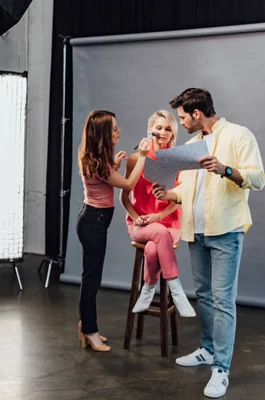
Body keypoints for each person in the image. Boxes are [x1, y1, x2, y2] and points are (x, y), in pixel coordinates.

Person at [152, 88, 265, 398]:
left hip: (226, 231)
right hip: (196, 233)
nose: (181, 122)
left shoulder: (239, 136)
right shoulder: (191, 146)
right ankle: (206, 349)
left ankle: (221, 368)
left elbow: (258, 178)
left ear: (197, 113)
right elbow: (186, 192)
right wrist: (168, 195)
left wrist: (225, 169)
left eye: (183, 117)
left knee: (222, 300)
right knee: (203, 295)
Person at [76, 110, 150, 352]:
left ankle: (87, 325)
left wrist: (116, 164)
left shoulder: (96, 157)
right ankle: (89, 331)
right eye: (115, 129)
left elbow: (106, 180)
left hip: (93, 221)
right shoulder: (97, 163)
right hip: (93, 223)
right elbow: (128, 184)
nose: (119, 132)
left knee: (91, 279)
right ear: (103, 134)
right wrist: (142, 158)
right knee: (91, 280)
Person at [120, 110, 195, 317]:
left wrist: (158, 218)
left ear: (173, 134)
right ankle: (177, 290)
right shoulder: (136, 158)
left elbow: (180, 197)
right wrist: (137, 218)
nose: (162, 132)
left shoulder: (177, 160)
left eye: (168, 129)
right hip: (139, 223)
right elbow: (124, 197)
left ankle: (148, 289)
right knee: (156, 235)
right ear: (150, 129)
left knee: (154, 247)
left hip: (169, 223)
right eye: (158, 128)